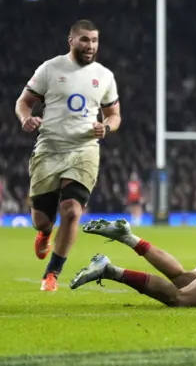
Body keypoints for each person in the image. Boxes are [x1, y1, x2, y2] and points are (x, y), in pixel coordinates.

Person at [15, 19, 121, 292]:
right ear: (71, 40)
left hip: (84, 150)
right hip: (49, 149)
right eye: (85, 39)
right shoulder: (50, 69)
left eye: (94, 40)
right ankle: (45, 232)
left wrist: (106, 126)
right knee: (42, 219)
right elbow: (23, 102)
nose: (90, 45)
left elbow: (114, 114)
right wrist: (26, 118)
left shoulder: (105, 76)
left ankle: (52, 273)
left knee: (72, 211)